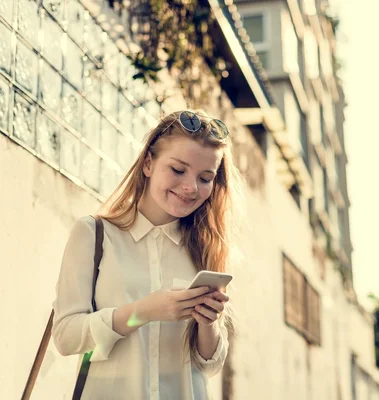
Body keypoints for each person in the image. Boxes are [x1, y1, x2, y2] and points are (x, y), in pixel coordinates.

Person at [52, 110, 243, 399]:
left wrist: (209, 323)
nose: (191, 187)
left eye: (205, 178)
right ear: (148, 164)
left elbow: (209, 363)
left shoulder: (206, 248)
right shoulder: (94, 234)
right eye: (178, 170)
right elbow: (65, 337)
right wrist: (141, 312)